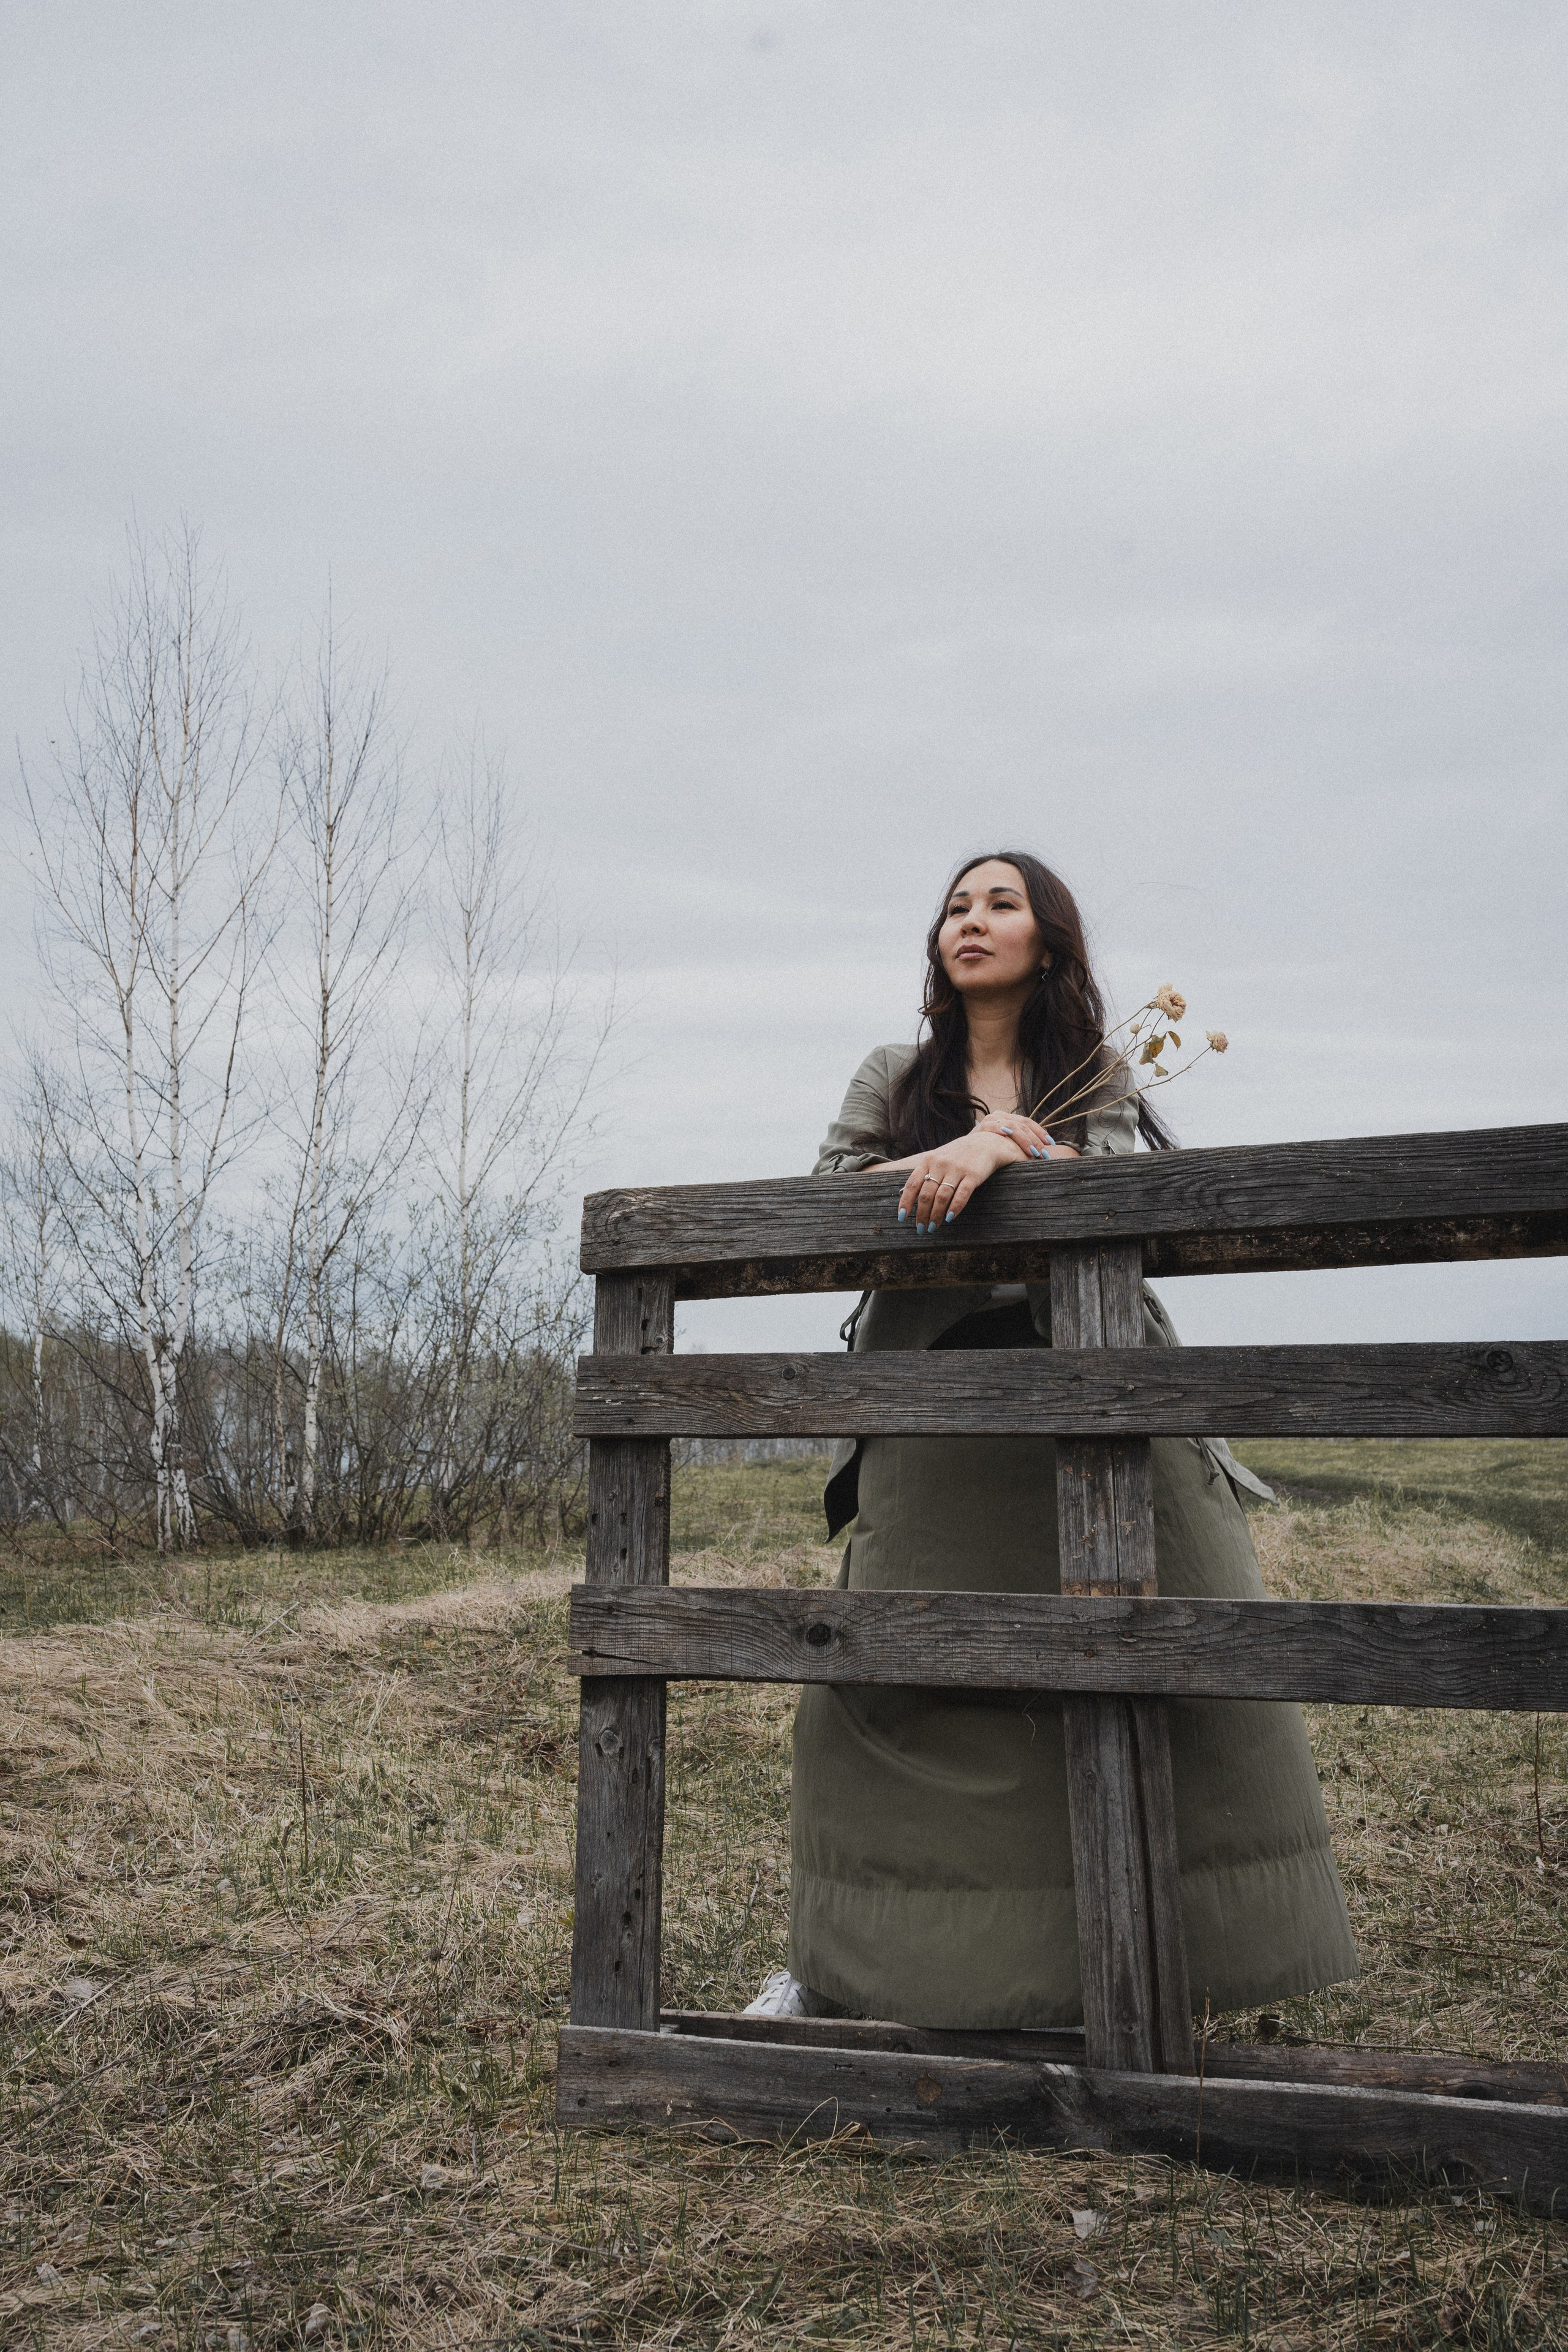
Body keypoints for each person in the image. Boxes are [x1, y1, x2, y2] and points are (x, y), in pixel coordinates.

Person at [746, 850, 1357, 2029]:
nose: (971, 921)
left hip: (1098, 1402)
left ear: (1048, 938)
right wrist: (968, 1147)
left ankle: (1167, 1970)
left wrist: (1008, 1144)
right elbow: (828, 1198)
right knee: (886, 1683)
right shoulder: (896, 1071)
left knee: (1170, 1664)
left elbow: (1119, 1203)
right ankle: (851, 1971)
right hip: (936, 1415)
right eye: (956, 906)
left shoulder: (1097, 1069)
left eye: (1001, 903)